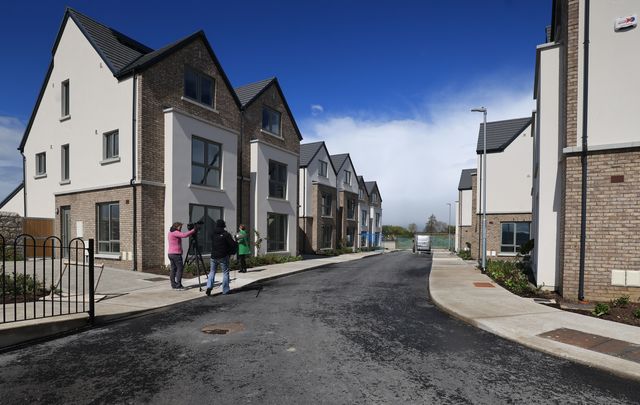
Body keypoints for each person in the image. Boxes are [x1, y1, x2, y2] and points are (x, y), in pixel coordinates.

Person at [206, 219, 237, 296]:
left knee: (212, 272)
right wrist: (236, 242)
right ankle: (225, 290)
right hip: (223, 256)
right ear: (224, 226)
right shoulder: (226, 234)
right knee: (225, 272)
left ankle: (209, 286)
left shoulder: (212, 234)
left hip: (213, 256)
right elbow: (232, 244)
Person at [167, 222, 196, 290]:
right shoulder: (175, 232)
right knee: (179, 269)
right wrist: (193, 230)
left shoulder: (170, 232)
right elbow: (184, 235)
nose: (181, 228)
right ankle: (178, 285)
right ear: (176, 226)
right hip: (176, 254)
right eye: (180, 227)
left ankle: (173, 284)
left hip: (170, 253)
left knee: (173, 269)